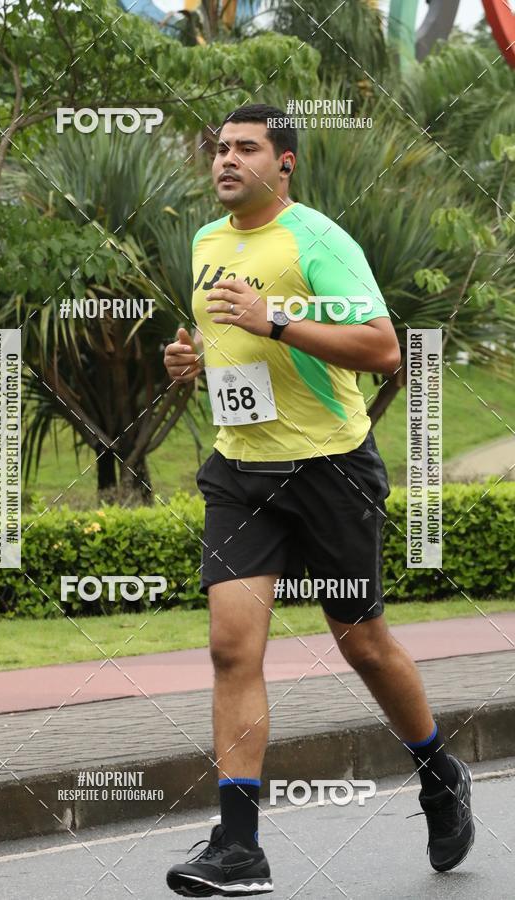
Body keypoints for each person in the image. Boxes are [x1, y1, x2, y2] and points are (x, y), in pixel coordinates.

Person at [163, 103, 474, 897]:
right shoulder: (206, 242)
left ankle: (438, 771)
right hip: (240, 472)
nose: (226, 160)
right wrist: (194, 362)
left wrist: (276, 323)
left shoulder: (320, 241)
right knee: (232, 648)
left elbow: (383, 348)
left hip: (330, 470)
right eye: (220, 148)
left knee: (362, 644)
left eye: (246, 148)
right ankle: (239, 848)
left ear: (285, 162)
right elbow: (231, 343)